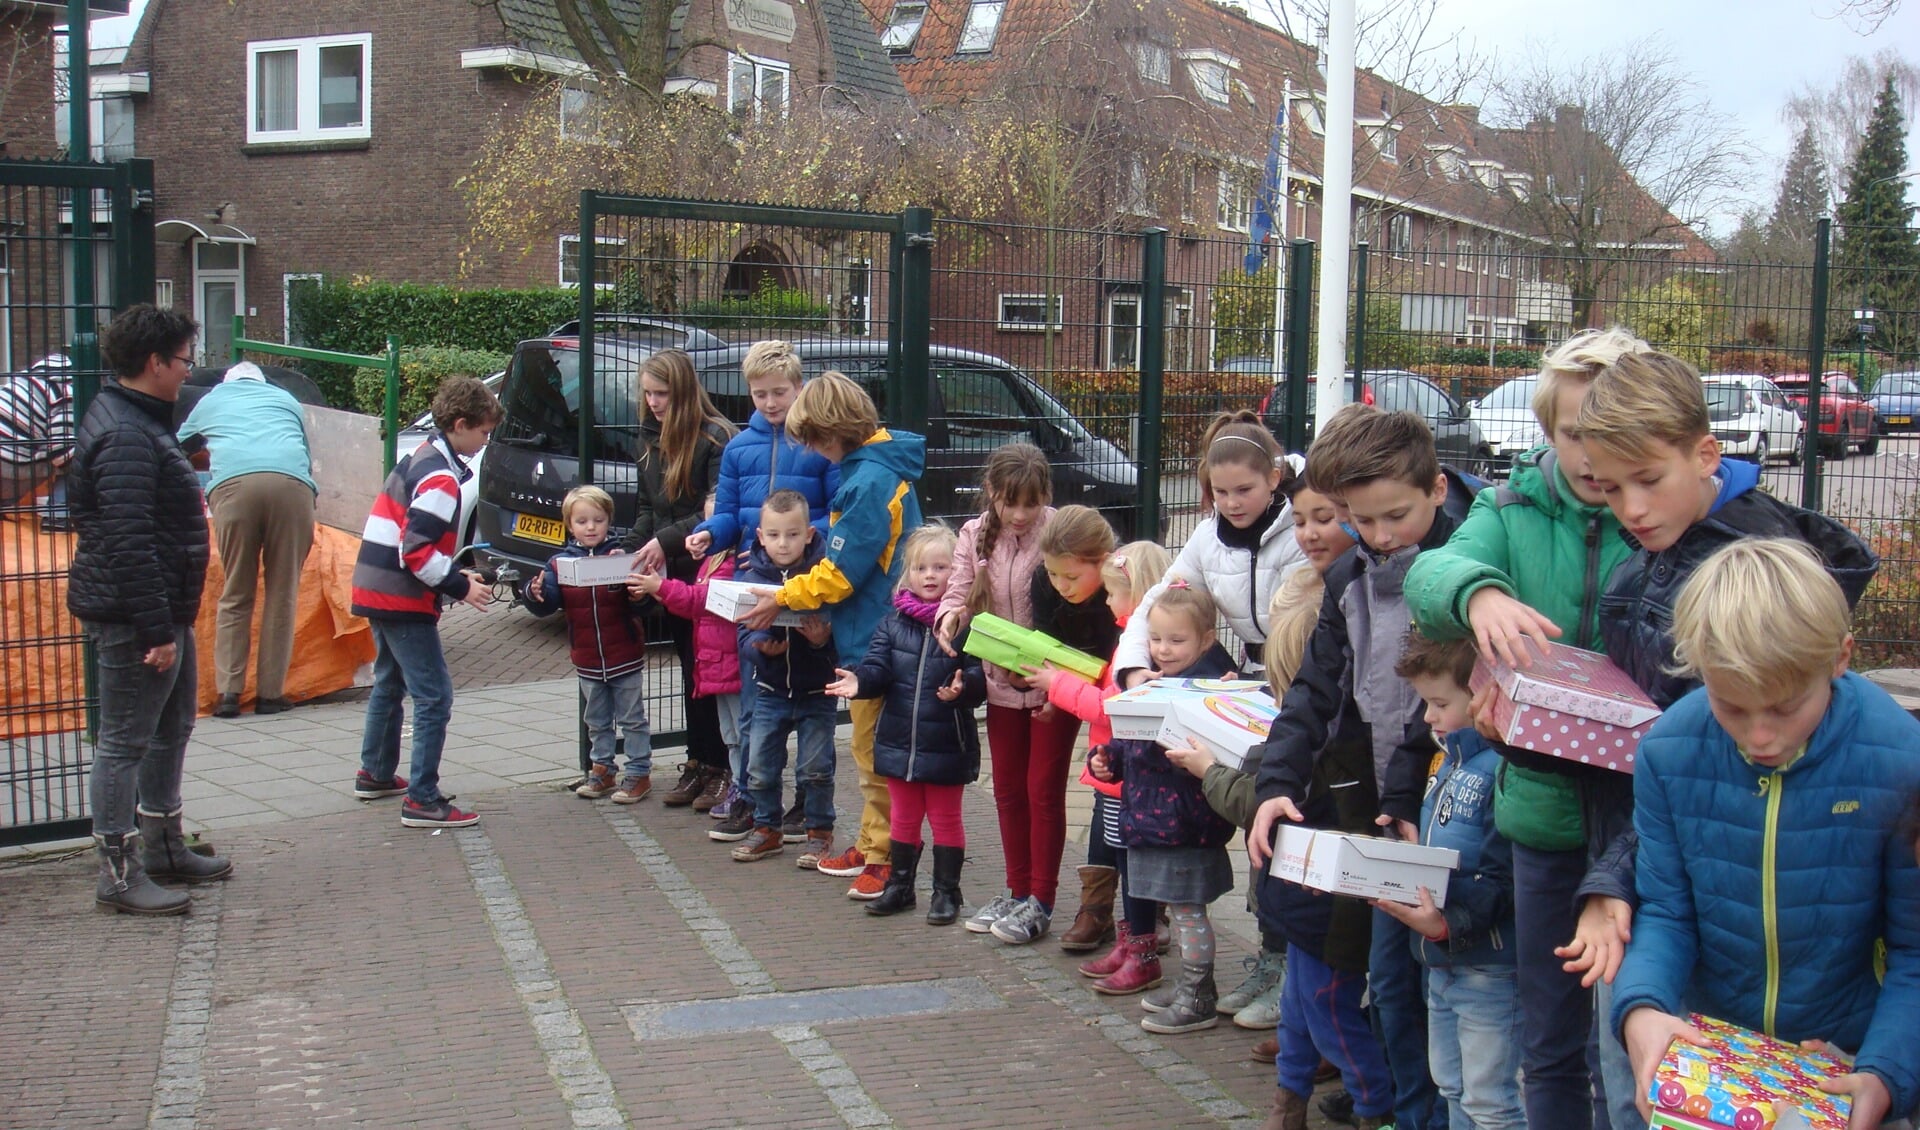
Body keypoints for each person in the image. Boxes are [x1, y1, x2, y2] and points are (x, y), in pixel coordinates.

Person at [1566, 349, 1877, 1105]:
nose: (1631, 510)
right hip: (1642, 868)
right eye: (1611, 490)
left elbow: (1707, 758)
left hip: (1712, 890)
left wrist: (1617, 877)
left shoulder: (1752, 568)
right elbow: (1644, 734)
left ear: (1706, 453)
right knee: (1632, 1077)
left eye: (1647, 481)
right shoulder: (1644, 562)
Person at [1402, 326, 1646, 1130]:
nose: (1589, 454)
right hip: (1540, 816)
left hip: (1644, 821)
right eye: (1574, 432)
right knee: (1547, 1036)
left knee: (1628, 1048)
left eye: (1610, 436)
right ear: (1547, 432)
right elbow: (1430, 573)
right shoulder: (1511, 508)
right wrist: (1479, 593)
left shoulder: (1651, 520)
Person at [1612, 539, 1920, 1130]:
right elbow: (1668, 911)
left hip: (1846, 1064)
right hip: (1717, 1072)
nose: (1759, 738)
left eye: (1783, 709)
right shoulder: (1670, 750)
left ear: (1839, 658)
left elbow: (1913, 948)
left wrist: (1884, 1072)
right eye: (1730, 707)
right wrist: (1642, 1006)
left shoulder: (1898, 760)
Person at [1247, 406, 1483, 1130]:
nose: (1379, 537)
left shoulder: (1472, 569)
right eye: (1361, 519)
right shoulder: (1351, 571)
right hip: (1381, 811)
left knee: (1451, 996)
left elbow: (1433, 704)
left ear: (1437, 490)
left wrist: (1408, 796)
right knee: (1388, 986)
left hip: (1453, 806)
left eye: (1393, 518)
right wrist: (1276, 785)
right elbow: (1316, 690)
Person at [1170, 472, 1359, 1059]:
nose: (1308, 533)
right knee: (1287, 940)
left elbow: (1257, 796)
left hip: (1308, 884)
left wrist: (1206, 771)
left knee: (1313, 966)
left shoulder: (1322, 731)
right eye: (1302, 520)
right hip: (1283, 887)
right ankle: (1296, 1033)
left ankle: (1312, 1039)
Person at [739, 371, 926, 901]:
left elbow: (841, 572)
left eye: (814, 440)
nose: (813, 452)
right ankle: (872, 844)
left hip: (876, 634)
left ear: (832, 430)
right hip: (870, 631)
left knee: (873, 752)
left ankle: (886, 855)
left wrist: (783, 595)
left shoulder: (868, 482)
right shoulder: (874, 467)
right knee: (870, 750)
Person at [69, 305, 227, 915]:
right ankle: (117, 870)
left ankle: (163, 844)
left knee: (171, 728)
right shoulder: (127, 434)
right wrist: (156, 629)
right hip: (139, 616)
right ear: (155, 362)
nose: (188, 372)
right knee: (125, 741)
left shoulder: (138, 421)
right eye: (184, 360)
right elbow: (125, 536)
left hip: (163, 609)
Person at [685, 340, 837, 833]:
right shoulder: (738, 448)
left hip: (809, 581)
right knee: (756, 701)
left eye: (780, 393)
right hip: (756, 579)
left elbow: (835, 516)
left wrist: (793, 541)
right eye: (759, 395)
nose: (771, 404)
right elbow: (729, 512)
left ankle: (806, 806)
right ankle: (753, 798)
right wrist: (711, 534)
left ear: (799, 388)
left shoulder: (817, 444)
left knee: (812, 704)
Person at [1086, 583, 1239, 1033]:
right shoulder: (1150, 678)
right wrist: (1108, 759)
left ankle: (1198, 995)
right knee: (1178, 906)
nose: (1163, 650)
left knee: (1189, 910)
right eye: (1155, 640)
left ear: (1206, 640)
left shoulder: (1212, 686)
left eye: (1176, 641)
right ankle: (1193, 986)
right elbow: (1129, 732)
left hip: (1187, 822)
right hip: (1152, 816)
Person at [350, 375, 500, 828]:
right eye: (483, 433)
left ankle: (375, 772)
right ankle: (422, 797)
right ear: (461, 424)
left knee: (389, 682)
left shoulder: (422, 456)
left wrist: (451, 571)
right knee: (434, 696)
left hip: (375, 588)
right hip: (400, 598)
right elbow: (414, 552)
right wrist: (459, 585)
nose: (484, 442)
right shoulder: (441, 478)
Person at [1389, 632, 1523, 1130]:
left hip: (1488, 963)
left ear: (1484, 695)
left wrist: (1450, 925)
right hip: (1440, 959)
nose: (1428, 716)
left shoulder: (1504, 768)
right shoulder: (1450, 761)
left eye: (1440, 703)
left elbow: (1502, 875)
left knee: (1492, 1099)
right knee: (1451, 1086)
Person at [931, 445, 1065, 942]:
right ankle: (1016, 889)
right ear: (992, 494)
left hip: (1051, 684)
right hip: (1001, 681)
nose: (1020, 515)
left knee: (1043, 791)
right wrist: (949, 616)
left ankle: (1042, 900)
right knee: (1008, 789)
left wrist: (1057, 679)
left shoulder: (1058, 531)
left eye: (1030, 504)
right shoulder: (973, 533)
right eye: (1010, 504)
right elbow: (959, 590)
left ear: (1044, 498)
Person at [827, 524, 987, 924]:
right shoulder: (891, 625)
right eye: (921, 568)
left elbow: (980, 679)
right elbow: (877, 669)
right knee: (902, 817)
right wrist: (859, 681)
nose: (930, 575)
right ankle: (900, 887)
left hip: (947, 743)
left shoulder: (965, 627)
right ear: (907, 575)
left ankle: (946, 892)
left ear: (958, 573)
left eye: (940, 567)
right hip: (898, 742)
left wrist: (963, 687)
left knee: (946, 819)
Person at [1038, 538, 1173, 968]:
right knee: (1105, 841)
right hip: (1111, 768)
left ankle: (1138, 935)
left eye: (1114, 592)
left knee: (1125, 851)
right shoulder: (1134, 638)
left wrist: (1056, 683)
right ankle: (1111, 922)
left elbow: (1109, 707)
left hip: (1123, 773)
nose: (1108, 599)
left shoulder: (1141, 645)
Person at [1114, 411, 1307, 687]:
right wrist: (1132, 668)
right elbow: (1156, 602)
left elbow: (1304, 627)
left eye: (1244, 490)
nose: (1232, 504)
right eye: (1221, 492)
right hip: (1251, 674)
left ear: (1274, 479)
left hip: (1300, 672)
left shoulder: (1299, 533)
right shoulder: (1207, 537)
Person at [622, 349, 735, 810]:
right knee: (690, 669)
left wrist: (664, 542)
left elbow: (713, 511)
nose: (653, 402)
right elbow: (649, 506)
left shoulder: (715, 438)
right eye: (647, 392)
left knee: (711, 668)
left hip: (706, 569)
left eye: (662, 393)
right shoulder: (648, 438)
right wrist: (632, 545)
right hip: (670, 574)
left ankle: (721, 765)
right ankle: (698, 760)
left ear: (684, 391)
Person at [176, 360, 318, 718]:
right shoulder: (286, 399)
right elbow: (304, 452)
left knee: (236, 592)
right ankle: (270, 694)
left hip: (234, 489)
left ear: (228, 382)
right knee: (282, 592)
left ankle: (228, 693)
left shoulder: (211, 400)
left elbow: (176, 449)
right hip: (292, 488)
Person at [521, 486, 653, 801]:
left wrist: (640, 595)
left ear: (609, 520)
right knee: (596, 718)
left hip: (624, 652)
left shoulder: (621, 558)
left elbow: (642, 605)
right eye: (582, 521)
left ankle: (638, 772)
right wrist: (533, 593)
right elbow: (548, 602)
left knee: (632, 717)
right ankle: (603, 769)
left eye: (598, 519)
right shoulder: (558, 563)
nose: (591, 527)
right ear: (570, 525)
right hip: (587, 656)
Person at [729, 490, 838, 866]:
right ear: (760, 536)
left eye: (792, 534)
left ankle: (819, 832)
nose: (783, 543)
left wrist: (824, 642)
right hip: (770, 689)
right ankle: (767, 828)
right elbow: (743, 633)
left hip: (817, 689)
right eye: (774, 535)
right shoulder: (752, 576)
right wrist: (759, 645)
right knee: (758, 766)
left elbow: (841, 629)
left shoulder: (825, 576)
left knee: (815, 769)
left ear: (809, 533)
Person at [633, 546, 746, 834]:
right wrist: (659, 591)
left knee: (744, 735)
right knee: (732, 735)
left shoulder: (734, 562)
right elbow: (692, 604)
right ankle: (741, 791)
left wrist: (661, 586)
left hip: (731, 663)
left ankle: (751, 795)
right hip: (715, 663)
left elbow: (703, 598)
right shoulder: (712, 559)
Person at [0, 360, 75, 523]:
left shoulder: (27, 378)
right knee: (78, 454)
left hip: (6, 457)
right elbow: (60, 450)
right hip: (9, 466)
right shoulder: (69, 392)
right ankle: (58, 515)